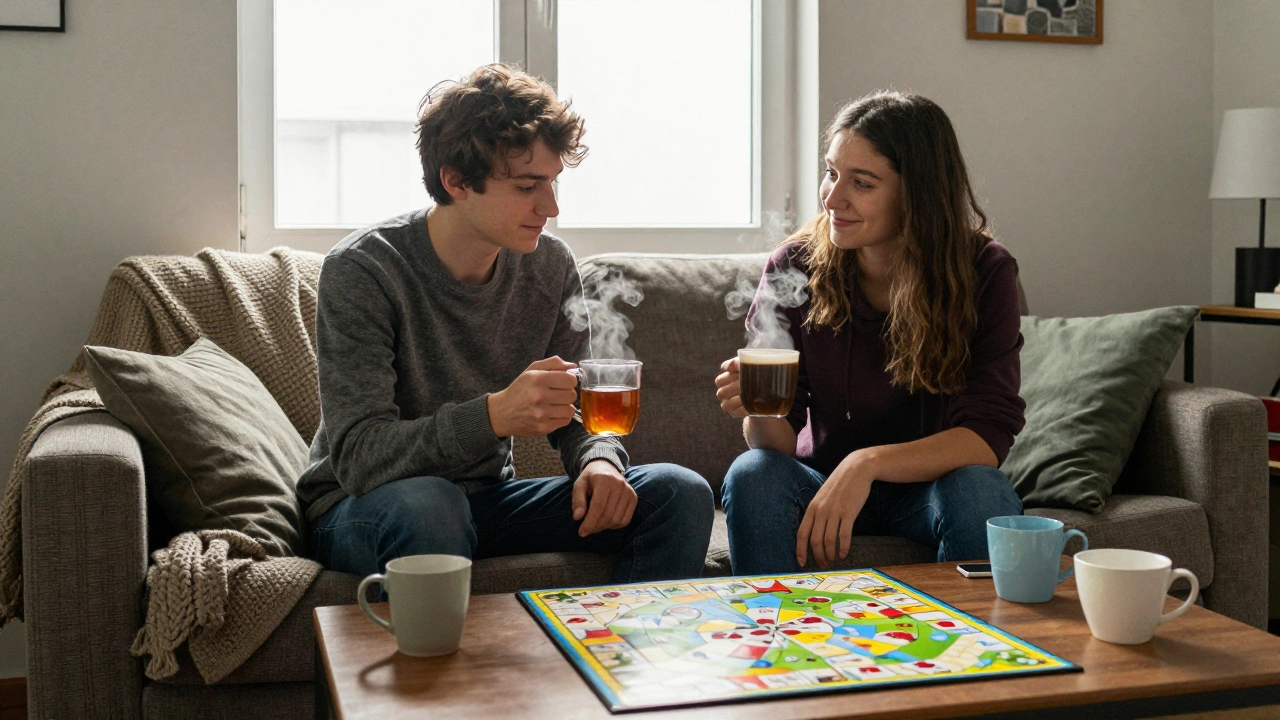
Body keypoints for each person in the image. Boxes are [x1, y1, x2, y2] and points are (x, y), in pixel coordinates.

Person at [297, 64, 714, 583]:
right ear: (455, 180)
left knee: (678, 492)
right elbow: (360, 457)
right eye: (526, 186)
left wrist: (600, 461)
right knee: (432, 504)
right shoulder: (365, 268)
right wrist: (493, 416)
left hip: (486, 502)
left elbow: (580, 411)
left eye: (553, 183)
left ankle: (620, 656)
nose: (551, 206)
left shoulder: (548, 265)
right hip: (365, 506)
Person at [714, 90, 1025, 574]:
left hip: (931, 490)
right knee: (754, 473)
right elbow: (774, 444)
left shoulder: (984, 271)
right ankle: (776, 636)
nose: (833, 198)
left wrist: (866, 464)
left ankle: (970, 645)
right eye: (831, 172)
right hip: (818, 484)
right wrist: (756, 407)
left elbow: (987, 437)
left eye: (861, 183)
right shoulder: (795, 266)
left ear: (918, 193)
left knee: (981, 488)